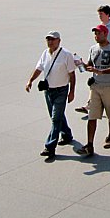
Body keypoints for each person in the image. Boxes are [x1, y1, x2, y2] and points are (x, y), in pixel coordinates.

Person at [25, 31, 76, 159]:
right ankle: (67, 135)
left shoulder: (66, 55)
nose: (50, 42)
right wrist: (30, 80)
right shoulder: (45, 53)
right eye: (48, 39)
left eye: (52, 39)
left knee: (55, 118)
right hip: (49, 91)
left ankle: (50, 147)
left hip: (61, 90)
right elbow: (39, 68)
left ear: (59, 41)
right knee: (56, 116)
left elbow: (72, 74)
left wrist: (72, 92)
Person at [75, 24, 110, 156]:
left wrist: (100, 71)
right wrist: (81, 64)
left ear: (105, 34)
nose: (96, 36)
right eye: (95, 34)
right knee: (92, 116)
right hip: (95, 86)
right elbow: (90, 66)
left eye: (98, 33)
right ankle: (89, 145)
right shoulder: (93, 49)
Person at [76, 5, 110, 113]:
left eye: (101, 14)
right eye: (99, 14)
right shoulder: (100, 26)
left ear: (107, 14)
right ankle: (89, 105)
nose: (99, 16)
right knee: (98, 81)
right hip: (102, 57)